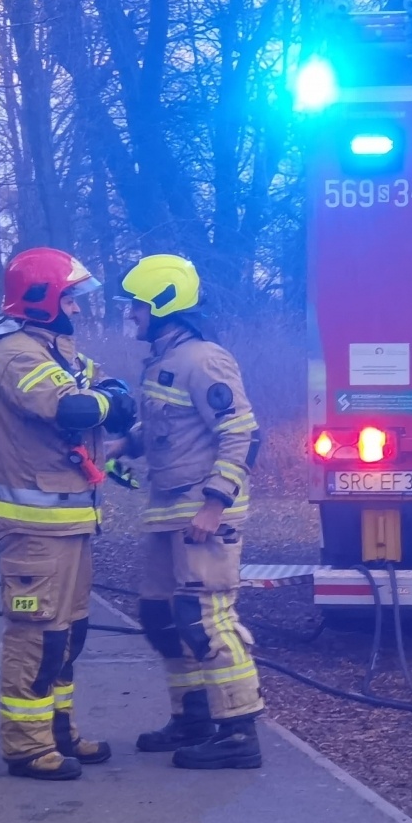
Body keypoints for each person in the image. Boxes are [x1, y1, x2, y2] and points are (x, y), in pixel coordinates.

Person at [0, 247, 136, 780]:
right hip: (33, 529)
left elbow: (113, 397)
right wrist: (105, 399)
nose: (80, 308)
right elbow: (73, 408)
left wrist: (107, 397)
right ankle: (26, 745)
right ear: (45, 300)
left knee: (70, 632)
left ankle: (58, 730)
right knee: (36, 634)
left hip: (69, 522)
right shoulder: (18, 355)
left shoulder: (57, 352)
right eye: (71, 297)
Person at [116, 255, 266, 770]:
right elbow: (169, 426)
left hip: (202, 513)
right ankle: (194, 715)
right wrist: (121, 447)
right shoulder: (164, 361)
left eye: (136, 304)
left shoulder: (205, 360)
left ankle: (238, 730)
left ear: (161, 303)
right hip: (166, 509)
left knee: (204, 618)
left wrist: (215, 502)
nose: (130, 313)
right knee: (161, 616)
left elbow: (241, 432)